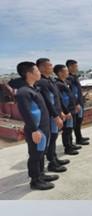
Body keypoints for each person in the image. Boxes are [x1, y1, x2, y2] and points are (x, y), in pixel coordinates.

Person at [15, 62, 58, 190]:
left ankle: (41, 174)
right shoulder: (23, 92)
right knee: (35, 155)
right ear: (29, 74)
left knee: (41, 153)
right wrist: (34, 130)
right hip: (37, 129)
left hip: (43, 128)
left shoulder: (34, 89)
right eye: (37, 71)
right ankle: (35, 181)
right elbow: (26, 112)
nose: (39, 72)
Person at [35, 58, 68, 173]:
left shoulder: (50, 80)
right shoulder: (42, 82)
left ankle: (54, 158)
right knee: (51, 139)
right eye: (49, 65)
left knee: (54, 138)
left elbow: (56, 99)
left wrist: (61, 112)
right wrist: (55, 116)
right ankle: (51, 163)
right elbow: (48, 102)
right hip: (50, 116)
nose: (52, 67)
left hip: (56, 113)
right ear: (42, 67)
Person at [54, 64, 79, 155]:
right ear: (60, 73)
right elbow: (60, 100)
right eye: (66, 71)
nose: (68, 72)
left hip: (72, 109)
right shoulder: (58, 84)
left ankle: (71, 144)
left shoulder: (66, 82)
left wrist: (75, 105)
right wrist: (65, 111)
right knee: (67, 130)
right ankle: (67, 148)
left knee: (70, 128)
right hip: (67, 110)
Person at [66, 59, 90, 145]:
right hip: (76, 105)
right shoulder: (69, 78)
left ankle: (79, 138)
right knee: (74, 124)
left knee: (79, 122)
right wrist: (76, 103)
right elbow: (71, 93)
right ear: (70, 67)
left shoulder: (75, 77)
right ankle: (72, 142)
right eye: (75, 66)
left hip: (80, 103)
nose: (77, 68)